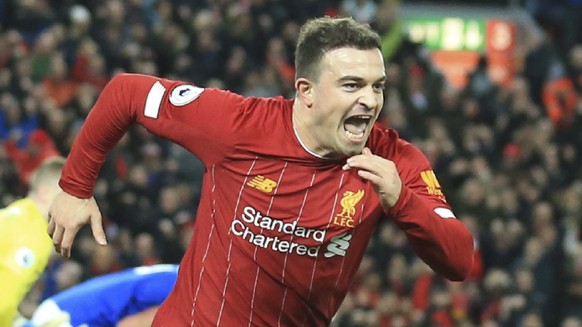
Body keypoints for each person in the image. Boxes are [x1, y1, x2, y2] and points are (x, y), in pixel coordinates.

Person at [47, 16, 474, 326]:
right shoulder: (239, 125)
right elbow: (127, 93)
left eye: (377, 85)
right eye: (352, 85)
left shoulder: (393, 162)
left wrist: (402, 201)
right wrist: (74, 187)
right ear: (305, 91)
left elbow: (459, 259)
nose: (370, 100)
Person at [0, 156, 66, 326]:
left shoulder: (18, 212)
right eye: (69, 196)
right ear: (45, 193)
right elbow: (3, 301)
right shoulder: (33, 236)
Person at [26, 264, 178, 327]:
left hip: (62, 307)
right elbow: (130, 325)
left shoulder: (179, 274)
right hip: (70, 319)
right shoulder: (184, 290)